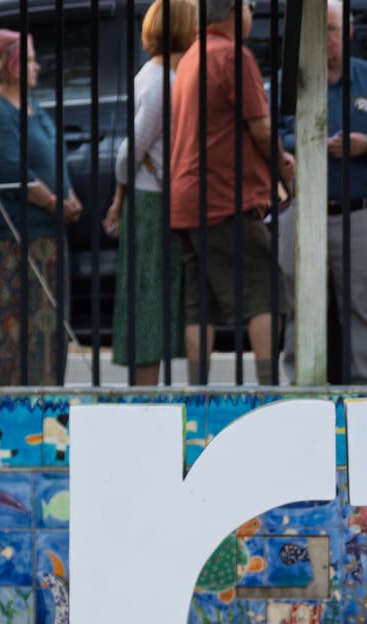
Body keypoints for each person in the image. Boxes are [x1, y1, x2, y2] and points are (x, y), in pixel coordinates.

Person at [275, 0, 367, 385]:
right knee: (300, 306)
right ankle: (299, 390)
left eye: (332, 30)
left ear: (348, 33)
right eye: (319, 31)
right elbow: (268, 135)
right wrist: (301, 140)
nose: (326, 39)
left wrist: (365, 143)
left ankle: (366, 391)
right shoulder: (293, 80)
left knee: (364, 307)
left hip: (359, 213)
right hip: (303, 211)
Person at [169, 0, 295, 386]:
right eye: (250, 8)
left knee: (199, 303)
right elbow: (259, 128)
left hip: (187, 199)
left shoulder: (191, 57)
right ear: (232, 11)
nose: (252, 16)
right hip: (225, 198)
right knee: (267, 291)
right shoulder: (232, 57)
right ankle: (268, 386)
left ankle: (197, 389)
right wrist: (285, 166)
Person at [103, 0, 198, 385]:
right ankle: (146, 394)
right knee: (151, 297)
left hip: (149, 194)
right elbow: (131, 149)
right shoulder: (164, 82)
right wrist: (120, 195)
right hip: (153, 201)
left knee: (151, 296)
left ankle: (147, 390)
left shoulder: (150, 74)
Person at [0, 29, 79, 387]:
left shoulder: (33, 108)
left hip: (48, 233)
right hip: (16, 237)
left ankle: (46, 403)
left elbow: (52, 156)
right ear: (9, 66)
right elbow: (10, 170)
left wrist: (69, 196)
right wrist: (56, 203)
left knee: (49, 331)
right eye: (29, 59)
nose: (37, 67)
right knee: (16, 332)